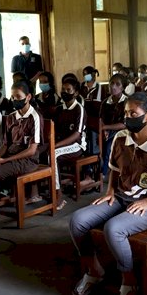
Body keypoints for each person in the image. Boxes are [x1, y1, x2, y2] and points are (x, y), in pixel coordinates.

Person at [70, 92, 147, 295]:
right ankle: (94, 270)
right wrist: (110, 190)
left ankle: (129, 281)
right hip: (121, 198)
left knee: (113, 229)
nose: (127, 116)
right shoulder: (121, 137)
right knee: (78, 220)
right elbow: (113, 169)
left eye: (133, 113)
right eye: (125, 112)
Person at [0, 82, 43, 208]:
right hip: (10, 157)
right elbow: (6, 145)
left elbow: (32, 151)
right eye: (12, 97)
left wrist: (5, 159)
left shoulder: (35, 117)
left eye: (18, 97)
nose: (14, 100)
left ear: (28, 97)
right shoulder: (11, 117)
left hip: (28, 161)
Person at [54, 77, 87, 211]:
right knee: (40, 152)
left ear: (76, 93)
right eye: (63, 89)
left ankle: (58, 195)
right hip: (61, 143)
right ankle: (36, 192)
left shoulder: (79, 109)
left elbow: (76, 135)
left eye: (68, 90)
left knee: (53, 154)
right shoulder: (59, 109)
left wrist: (56, 145)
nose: (65, 92)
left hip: (76, 145)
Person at [100, 74, 127, 179]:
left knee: (109, 143)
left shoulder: (126, 102)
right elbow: (101, 119)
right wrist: (104, 129)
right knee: (95, 140)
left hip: (123, 131)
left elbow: (124, 124)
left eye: (117, 84)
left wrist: (106, 128)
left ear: (123, 87)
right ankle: (94, 169)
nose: (113, 86)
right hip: (107, 130)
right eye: (111, 83)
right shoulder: (105, 102)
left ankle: (104, 172)